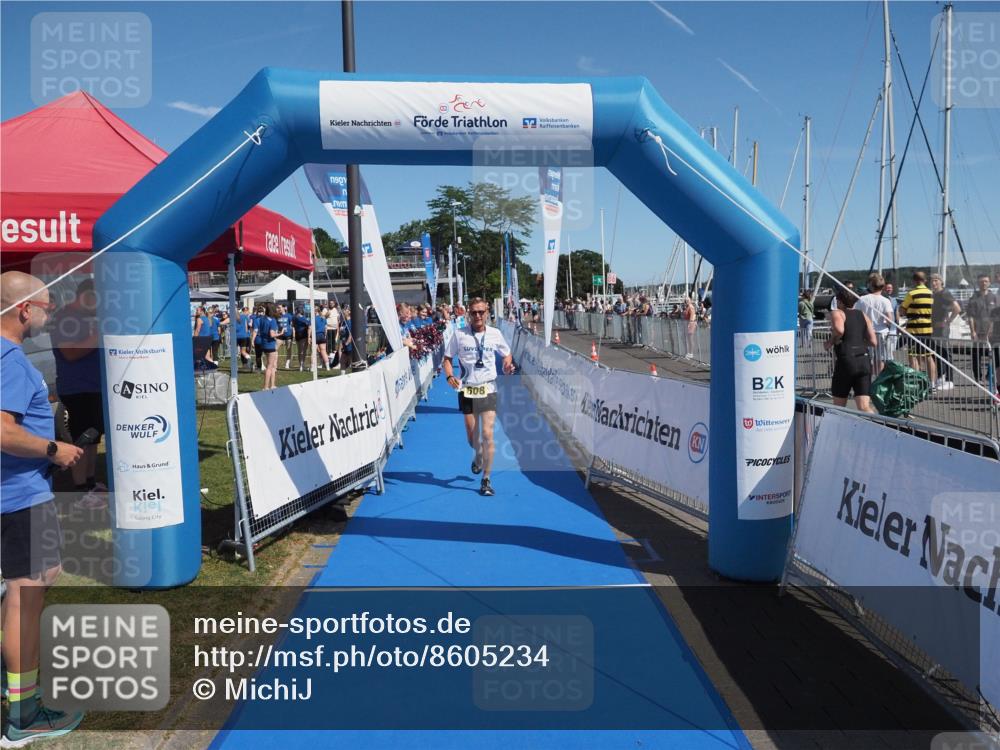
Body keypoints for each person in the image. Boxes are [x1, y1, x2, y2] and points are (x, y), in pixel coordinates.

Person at [1, 271, 85, 745]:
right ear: (23, 310)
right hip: (19, 494)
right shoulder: (10, 358)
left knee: (42, 575)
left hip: (17, 493)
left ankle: (14, 683)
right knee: (25, 597)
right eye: (47, 307)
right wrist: (55, 450)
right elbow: (4, 431)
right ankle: (23, 716)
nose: (50, 316)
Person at [442, 297, 515, 497]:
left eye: (481, 312)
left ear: (487, 312)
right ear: (468, 314)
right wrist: (449, 375)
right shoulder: (459, 335)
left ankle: (486, 479)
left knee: (488, 435)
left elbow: (507, 355)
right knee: (473, 438)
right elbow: (446, 359)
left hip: (488, 388)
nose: (477, 316)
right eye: (473, 312)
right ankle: (478, 455)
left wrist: (508, 365)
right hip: (467, 389)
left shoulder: (495, 334)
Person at [50, 279, 107, 509]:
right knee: (82, 438)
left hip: (92, 386)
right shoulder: (65, 318)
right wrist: (98, 336)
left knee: (93, 438)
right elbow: (70, 353)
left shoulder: (83, 318)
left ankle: (90, 484)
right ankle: (80, 491)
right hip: (77, 388)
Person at [825, 284, 877, 413]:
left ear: (839, 301)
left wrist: (830, 342)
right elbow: (873, 341)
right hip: (863, 360)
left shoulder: (838, 313)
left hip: (846, 360)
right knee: (864, 406)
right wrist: (858, 342)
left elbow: (839, 329)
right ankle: (877, 428)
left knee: (839, 407)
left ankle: (840, 432)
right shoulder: (862, 315)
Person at [899, 271, 937, 388]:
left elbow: (902, 310)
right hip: (928, 328)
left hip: (914, 328)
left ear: (914, 281)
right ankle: (933, 384)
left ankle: (916, 383)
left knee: (913, 356)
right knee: (929, 356)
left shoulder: (912, 294)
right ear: (925, 280)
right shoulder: (931, 293)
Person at [854, 273, 895, 375]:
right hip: (881, 332)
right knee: (880, 358)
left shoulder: (862, 299)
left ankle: (867, 379)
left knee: (867, 357)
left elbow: (855, 314)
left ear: (871, 285)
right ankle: (877, 379)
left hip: (866, 332)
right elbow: (890, 319)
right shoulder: (886, 301)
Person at [929, 273, 960, 390]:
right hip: (934, 328)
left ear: (941, 282)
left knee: (946, 353)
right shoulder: (933, 295)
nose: (934, 283)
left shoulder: (945, 293)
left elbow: (957, 308)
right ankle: (941, 377)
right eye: (932, 281)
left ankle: (950, 379)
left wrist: (949, 321)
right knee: (937, 353)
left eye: (936, 280)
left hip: (942, 328)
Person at [967, 274, 998, 385]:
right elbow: (970, 316)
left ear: (989, 283)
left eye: (985, 281)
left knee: (994, 355)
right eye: (981, 281)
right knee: (976, 355)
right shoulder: (973, 298)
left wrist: (990, 331)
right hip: (978, 331)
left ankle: (990, 375)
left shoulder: (994, 298)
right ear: (978, 283)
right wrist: (972, 331)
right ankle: (978, 377)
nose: (983, 283)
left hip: (993, 332)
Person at [258, 302, 280, 390]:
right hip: (270, 344)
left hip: (264, 343)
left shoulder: (262, 319)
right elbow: (272, 334)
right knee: (270, 366)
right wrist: (280, 333)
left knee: (272, 365)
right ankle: (266, 386)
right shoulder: (273, 320)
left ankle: (272, 384)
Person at [292, 305, 311, 371]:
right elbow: (309, 326)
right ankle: (302, 365)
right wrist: (309, 337)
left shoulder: (294, 318)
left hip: (298, 335)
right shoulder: (303, 318)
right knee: (303, 351)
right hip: (303, 335)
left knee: (300, 351)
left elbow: (293, 326)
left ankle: (301, 365)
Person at [313, 306, 329, 371]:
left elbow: (311, 328)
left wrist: (310, 337)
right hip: (322, 335)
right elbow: (326, 329)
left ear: (315, 311)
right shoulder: (323, 318)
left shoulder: (313, 318)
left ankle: (312, 367)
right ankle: (327, 367)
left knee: (314, 352)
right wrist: (325, 335)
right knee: (323, 351)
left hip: (316, 335)